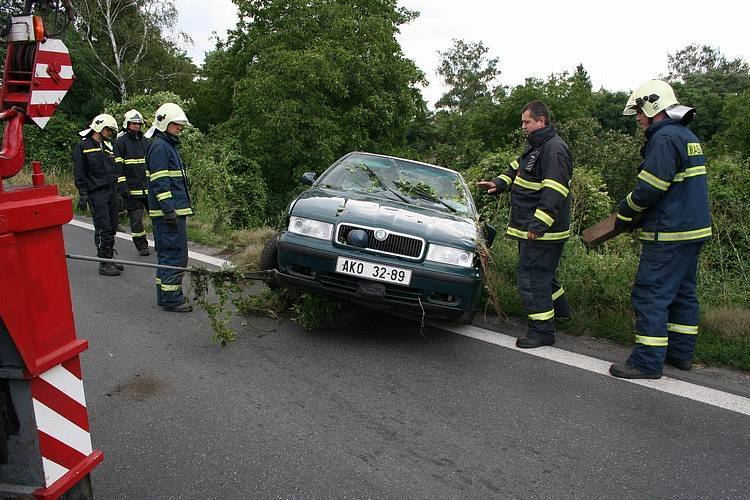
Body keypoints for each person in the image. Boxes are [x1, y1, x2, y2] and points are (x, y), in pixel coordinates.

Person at [609, 80, 711, 380]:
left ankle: (646, 362)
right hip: (692, 232)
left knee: (651, 294)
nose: (638, 119)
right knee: (683, 293)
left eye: (639, 112)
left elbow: (650, 188)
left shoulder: (663, 138)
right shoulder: (686, 135)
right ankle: (679, 354)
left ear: (653, 107)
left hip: (668, 232)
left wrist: (624, 211)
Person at [476, 101, 573, 348]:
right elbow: (517, 168)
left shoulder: (554, 150)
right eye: (523, 122)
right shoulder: (537, 146)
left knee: (532, 278)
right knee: (545, 276)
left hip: (541, 232)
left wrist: (538, 226)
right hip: (532, 228)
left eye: (526, 122)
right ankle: (561, 313)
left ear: (541, 121)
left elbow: (555, 191)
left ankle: (542, 331)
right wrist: (499, 183)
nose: (524, 127)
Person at [145, 103, 194, 313]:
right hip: (168, 214)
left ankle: (165, 295)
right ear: (165, 123)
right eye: (176, 125)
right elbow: (160, 182)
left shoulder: (167, 146)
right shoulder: (160, 147)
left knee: (168, 254)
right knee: (175, 255)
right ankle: (172, 299)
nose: (180, 128)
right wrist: (169, 210)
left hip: (170, 212)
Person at [73, 113, 127, 276]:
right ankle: (104, 263)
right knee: (103, 227)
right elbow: (79, 172)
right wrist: (83, 193)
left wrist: (118, 192)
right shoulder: (83, 147)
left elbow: (115, 169)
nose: (110, 133)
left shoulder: (109, 146)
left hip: (111, 191)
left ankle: (109, 257)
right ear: (99, 128)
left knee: (112, 226)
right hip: (96, 193)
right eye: (108, 130)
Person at [114, 109, 151, 256]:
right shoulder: (120, 143)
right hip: (132, 191)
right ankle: (142, 246)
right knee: (136, 221)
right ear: (127, 124)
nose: (136, 126)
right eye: (133, 123)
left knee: (158, 218)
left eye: (138, 123)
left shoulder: (146, 142)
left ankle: (161, 243)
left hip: (149, 189)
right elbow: (118, 168)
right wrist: (123, 188)